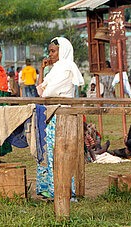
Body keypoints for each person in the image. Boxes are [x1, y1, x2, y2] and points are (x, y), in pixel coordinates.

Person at [36, 37, 84, 199]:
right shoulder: (55, 69)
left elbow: (48, 92)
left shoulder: (66, 68)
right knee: (49, 152)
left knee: (61, 153)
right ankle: (50, 189)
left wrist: (46, 88)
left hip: (62, 116)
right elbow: (40, 91)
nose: (50, 55)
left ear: (62, 51)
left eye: (53, 51)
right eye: (49, 51)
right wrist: (42, 70)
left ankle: (62, 190)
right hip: (51, 114)